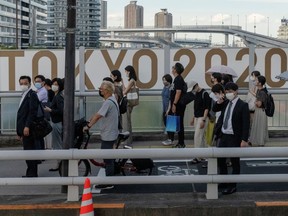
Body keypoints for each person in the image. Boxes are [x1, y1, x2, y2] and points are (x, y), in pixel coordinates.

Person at [213, 82, 250, 195]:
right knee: (221, 160)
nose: (228, 94)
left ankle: (232, 185)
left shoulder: (242, 105)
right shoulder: (225, 102)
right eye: (226, 92)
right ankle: (224, 181)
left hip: (235, 137)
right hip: (223, 135)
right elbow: (214, 108)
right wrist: (219, 101)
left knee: (235, 162)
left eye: (230, 91)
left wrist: (244, 140)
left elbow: (246, 124)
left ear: (235, 91)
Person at [83, 81, 119, 190]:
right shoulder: (112, 100)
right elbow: (98, 114)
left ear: (107, 90)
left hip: (108, 134)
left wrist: (88, 126)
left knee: (107, 159)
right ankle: (109, 177)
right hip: (111, 132)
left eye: (101, 88)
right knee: (109, 158)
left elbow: (98, 116)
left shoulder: (108, 102)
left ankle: (108, 181)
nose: (100, 90)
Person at [17, 75, 40, 177]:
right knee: (28, 150)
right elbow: (21, 114)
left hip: (29, 128)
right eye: (21, 83)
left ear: (30, 84)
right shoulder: (24, 95)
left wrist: (27, 126)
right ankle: (30, 172)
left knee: (29, 151)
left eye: (25, 83)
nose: (23, 85)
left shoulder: (32, 95)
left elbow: (32, 112)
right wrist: (19, 131)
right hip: (24, 129)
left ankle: (32, 173)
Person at [44, 78, 64, 171]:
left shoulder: (58, 97)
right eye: (53, 84)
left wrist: (50, 110)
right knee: (57, 143)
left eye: (56, 84)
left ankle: (59, 164)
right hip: (56, 121)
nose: (54, 86)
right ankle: (59, 164)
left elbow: (61, 110)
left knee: (57, 144)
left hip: (57, 122)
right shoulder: (57, 95)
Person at [190, 80, 211, 163]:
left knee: (197, 136)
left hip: (202, 117)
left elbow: (207, 108)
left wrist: (203, 119)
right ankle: (203, 155)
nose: (193, 90)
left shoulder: (204, 93)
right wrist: (193, 117)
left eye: (193, 88)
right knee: (201, 137)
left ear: (196, 85)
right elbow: (196, 108)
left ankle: (197, 156)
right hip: (197, 117)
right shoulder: (197, 94)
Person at [169, 62, 187, 148]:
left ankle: (181, 142)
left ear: (175, 70)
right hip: (177, 104)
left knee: (180, 123)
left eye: (173, 68)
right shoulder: (177, 79)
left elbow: (178, 92)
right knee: (177, 123)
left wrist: (174, 104)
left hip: (179, 105)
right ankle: (179, 141)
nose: (172, 69)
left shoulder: (178, 79)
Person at [249, 75, 269, 146]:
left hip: (260, 111)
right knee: (259, 126)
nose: (255, 81)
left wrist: (255, 102)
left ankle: (260, 142)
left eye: (257, 80)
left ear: (260, 83)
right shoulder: (261, 90)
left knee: (259, 126)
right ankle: (258, 141)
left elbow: (259, 104)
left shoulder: (261, 92)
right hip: (261, 111)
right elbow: (259, 98)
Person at [123, 65, 138, 145]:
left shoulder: (132, 81)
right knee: (128, 121)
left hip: (128, 103)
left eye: (126, 71)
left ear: (129, 71)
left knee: (127, 122)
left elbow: (125, 92)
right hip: (130, 103)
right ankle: (129, 140)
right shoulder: (132, 80)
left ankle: (127, 141)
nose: (125, 73)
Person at [33, 75, 48, 150]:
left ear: (43, 82)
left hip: (40, 117)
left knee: (38, 136)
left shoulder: (43, 92)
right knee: (39, 136)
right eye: (35, 81)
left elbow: (35, 101)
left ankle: (40, 154)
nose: (36, 83)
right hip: (38, 116)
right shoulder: (39, 91)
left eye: (39, 81)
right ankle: (41, 154)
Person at [161, 74, 174, 146]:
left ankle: (171, 140)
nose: (163, 81)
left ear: (168, 80)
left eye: (165, 80)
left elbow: (170, 100)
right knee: (166, 124)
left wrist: (168, 110)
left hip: (169, 109)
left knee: (170, 125)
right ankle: (169, 139)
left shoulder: (171, 88)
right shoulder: (165, 87)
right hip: (164, 109)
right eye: (163, 80)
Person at [43, 78, 54, 149]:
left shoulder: (48, 93)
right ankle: (49, 146)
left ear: (46, 85)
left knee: (47, 131)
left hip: (48, 114)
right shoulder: (53, 92)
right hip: (51, 114)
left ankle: (48, 147)